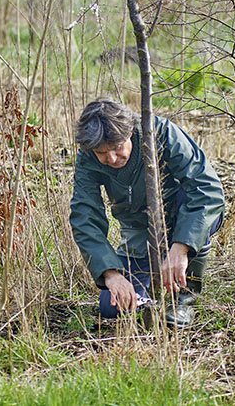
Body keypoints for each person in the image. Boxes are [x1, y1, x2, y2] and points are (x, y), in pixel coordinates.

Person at [69, 99, 224, 327]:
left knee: (192, 207)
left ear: (131, 133)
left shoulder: (160, 134)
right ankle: (150, 299)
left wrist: (181, 247)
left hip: (179, 221)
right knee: (111, 307)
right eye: (102, 153)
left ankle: (184, 298)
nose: (111, 159)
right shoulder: (88, 157)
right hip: (140, 235)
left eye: (117, 148)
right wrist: (111, 274)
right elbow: (85, 217)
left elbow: (206, 190)